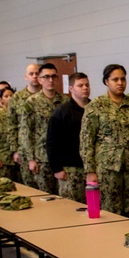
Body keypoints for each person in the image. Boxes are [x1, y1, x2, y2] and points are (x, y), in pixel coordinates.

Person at [79, 64, 129, 217]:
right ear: (106, 81)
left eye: (122, 79)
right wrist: (90, 170)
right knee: (110, 211)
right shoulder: (96, 106)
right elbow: (87, 140)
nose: (120, 83)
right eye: (115, 79)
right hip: (107, 169)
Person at [18, 63, 66, 194]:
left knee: (65, 198)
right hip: (41, 158)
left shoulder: (65, 101)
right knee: (46, 197)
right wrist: (31, 159)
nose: (50, 80)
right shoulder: (31, 102)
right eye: (46, 77)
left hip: (61, 157)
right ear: (39, 79)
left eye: (54, 77)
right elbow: (26, 132)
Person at [47, 71, 90, 201]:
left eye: (87, 85)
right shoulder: (62, 112)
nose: (85, 88)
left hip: (91, 168)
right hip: (70, 169)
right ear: (71, 88)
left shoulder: (95, 108)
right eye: (80, 85)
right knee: (72, 208)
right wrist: (57, 169)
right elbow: (51, 142)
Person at [8, 63, 43, 187]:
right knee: (30, 186)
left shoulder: (48, 95)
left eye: (37, 73)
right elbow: (12, 125)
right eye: (31, 74)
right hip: (25, 150)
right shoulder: (17, 98)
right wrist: (15, 150)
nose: (34, 76)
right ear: (25, 77)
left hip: (44, 150)